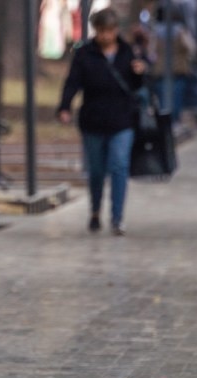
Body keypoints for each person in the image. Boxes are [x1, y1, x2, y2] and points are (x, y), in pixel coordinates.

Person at [58, 7, 147, 237]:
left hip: (122, 119)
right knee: (96, 170)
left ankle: (117, 217)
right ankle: (95, 210)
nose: (106, 36)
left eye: (110, 31)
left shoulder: (128, 52)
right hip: (93, 120)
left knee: (119, 166)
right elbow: (73, 82)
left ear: (116, 30)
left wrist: (139, 73)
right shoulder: (85, 53)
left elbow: (137, 86)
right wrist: (65, 106)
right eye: (101, 31)